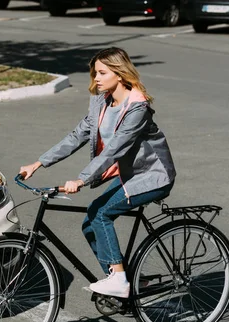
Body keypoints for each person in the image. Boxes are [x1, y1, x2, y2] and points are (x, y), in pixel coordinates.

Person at [19, 47, 176, 299]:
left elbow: (114, 149)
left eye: (102, 73)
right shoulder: (101, 103)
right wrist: (38, 163)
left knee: (102, 214)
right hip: (128, 175)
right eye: (95, 74)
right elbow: (77, 135)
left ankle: (119, 280)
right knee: (90, 220)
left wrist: (82, 179)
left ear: (120, 73)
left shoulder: (137, 108)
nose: (96, 79)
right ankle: (125, 278)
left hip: (152, 175)